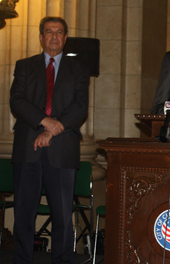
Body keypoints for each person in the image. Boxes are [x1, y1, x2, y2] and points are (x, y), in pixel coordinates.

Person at [10, 16, 89, 264]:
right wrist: (45, 122)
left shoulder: (78, 68)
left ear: (65, 38)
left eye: (59, 32)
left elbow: (80, 107)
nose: (54, 36)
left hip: (62, 150)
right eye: (48, 32)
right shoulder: (25, 66)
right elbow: (17, 101)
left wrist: (54, 129)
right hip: (27, 149)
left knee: (63, 216)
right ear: (41, 37)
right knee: (23, 214)